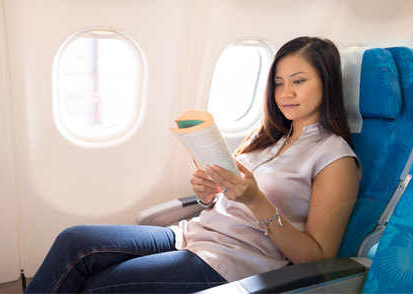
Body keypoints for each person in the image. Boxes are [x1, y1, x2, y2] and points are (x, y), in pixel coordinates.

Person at [24, 36, 361, 293]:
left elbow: (319, 259)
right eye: (278, 83)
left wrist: (257, 201)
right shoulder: (268, 136)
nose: (285, 92)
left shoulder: (335, 158)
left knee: (96, 284)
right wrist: (208, 193)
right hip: (191, 235)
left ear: (326, 82)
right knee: (74, 243)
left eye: (298, 81)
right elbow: (224, 199)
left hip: (232, 262)